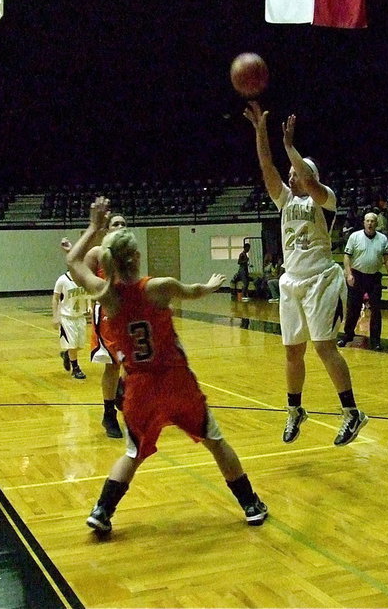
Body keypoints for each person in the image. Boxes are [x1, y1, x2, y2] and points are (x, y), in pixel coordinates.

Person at [67, 196, 268, 533]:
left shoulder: (106, 294)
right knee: (215, 442)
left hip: (139, 386)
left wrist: (93, 228)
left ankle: (102, 511)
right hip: (175, 380)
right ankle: (250, 504)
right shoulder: (158, 287)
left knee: (132, 454)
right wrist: (211, 286)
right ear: (136, 256)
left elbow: (73, 261)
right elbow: (194, 291)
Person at [244, 102, 368, 446]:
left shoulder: (324, 199)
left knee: (324, 347)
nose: (289, 175)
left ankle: (351, 412)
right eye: (290, 173)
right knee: (292, 352)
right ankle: (295, 410)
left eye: (295, 172)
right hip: (292, 282)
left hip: (320, 280)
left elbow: (308, 178)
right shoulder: (284, 200)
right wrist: (261, 134)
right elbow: (266, 166)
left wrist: (289, 147)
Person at [83, 213, 128, 439]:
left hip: (128, 311)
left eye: (123, 223)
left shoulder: (130, 253)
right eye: (115, 224)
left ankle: (122, 389)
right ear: (107, 229)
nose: (120, 226)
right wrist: (90, 306)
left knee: (135, 361)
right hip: (107, 313)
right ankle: (108, 413)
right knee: (112, 365)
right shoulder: (97, 253)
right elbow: (84, 279)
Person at [338, 212, 388, 350]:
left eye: (373, 221)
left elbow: (387, 259)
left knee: (376, 309)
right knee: (353, 308)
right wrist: (348, 274)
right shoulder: (354, 237)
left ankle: (375, 341)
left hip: (374, 277)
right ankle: (348, 335)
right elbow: (346, 257)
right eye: (367, 221)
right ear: (364, 222)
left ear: (376, 223)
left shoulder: (382, 239)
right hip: (357, 275)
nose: (370, 223)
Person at [52, 245, 90, 379]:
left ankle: (67, 354)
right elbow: (55, 298)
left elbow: (88, 294)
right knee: (73, 345)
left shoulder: (83, 280)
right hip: (67, 317)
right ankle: (76, 368)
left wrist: (89, 306)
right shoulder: (62, 280)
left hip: (80, 316)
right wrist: (55, 316)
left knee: (79, 345)